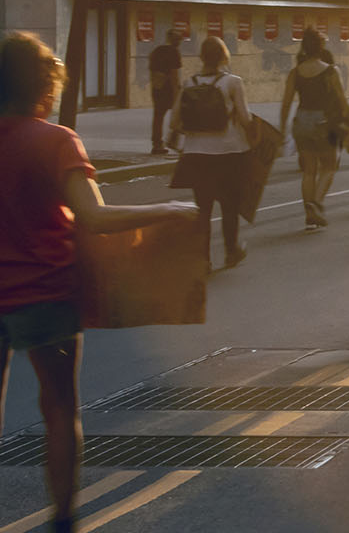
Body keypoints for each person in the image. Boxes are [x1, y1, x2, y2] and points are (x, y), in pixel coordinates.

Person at [1, 33, 196, 533]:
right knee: (60, 409)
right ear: (44, 85)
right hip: (47, 295)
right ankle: (63, 518)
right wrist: (168, 209)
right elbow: (95, 217)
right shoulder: (55, 140)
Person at [165, 36, 253, 269]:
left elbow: (174, 122)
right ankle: (231, 251)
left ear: (201, 57)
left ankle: (203, 258)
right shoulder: (233, 82)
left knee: (203, 210)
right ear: (224, 57)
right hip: (230, 152)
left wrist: (195, 131)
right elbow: (245, 119)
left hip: (196, 154)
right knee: (229, 206)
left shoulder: (189, 83)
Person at [279, 29, 349, 229]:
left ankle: (310, 217)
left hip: (301, 121)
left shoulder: (296, 72)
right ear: (321, 47)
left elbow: (286, 104)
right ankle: (316, 204)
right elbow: (342, 101)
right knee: (329, 165)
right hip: (323, 123)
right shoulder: (330, 71)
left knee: (309, 170)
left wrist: (283, 129)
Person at [146, 29, 185, 156]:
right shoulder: (174, 52)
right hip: (169, 89)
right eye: (178, 39)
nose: (179, 42)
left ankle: (157, 144)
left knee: (158, 117)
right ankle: (173, 140)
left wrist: (155, 86)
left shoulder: (157, 51)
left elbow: (152, 71)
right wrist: (177, 93)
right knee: (180, 114)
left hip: (157, 88)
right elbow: (174, 75)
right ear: (175, 40)